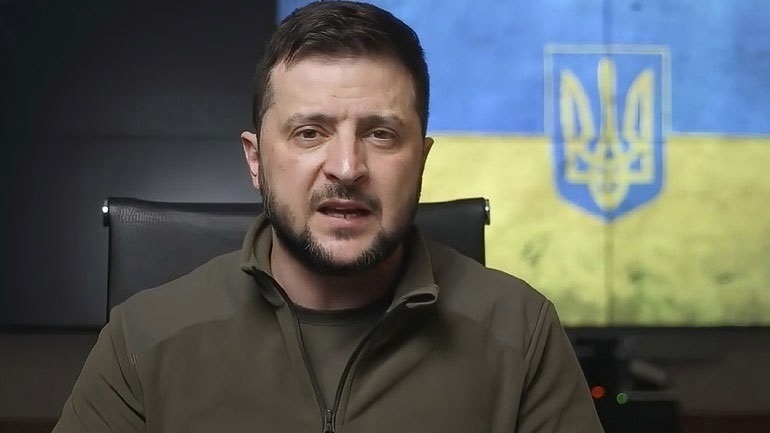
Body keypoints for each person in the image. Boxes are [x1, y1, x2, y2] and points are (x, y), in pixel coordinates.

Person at [53, 1, 603, 432]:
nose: (346, 167)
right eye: (309, 132)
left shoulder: (521, 331)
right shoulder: (142, 340)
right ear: (255, 160)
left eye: (381, 134)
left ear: (421, 159)